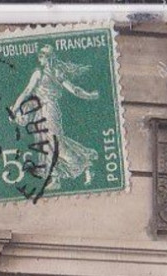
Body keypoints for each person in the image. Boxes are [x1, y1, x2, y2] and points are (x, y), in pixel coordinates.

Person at [10, 45, 100, 188]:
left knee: (56, 143)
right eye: (40, 55)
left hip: (50, 109)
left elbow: (74, 90)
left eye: (43, 55)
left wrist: (89, 95)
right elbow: (27, 91)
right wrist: (15, 109)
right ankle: (56, 178)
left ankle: (85, 165)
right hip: (39, 110)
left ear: (50, 57)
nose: (41, 58)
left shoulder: (54, 73)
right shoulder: (41, 73)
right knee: (47, 143)